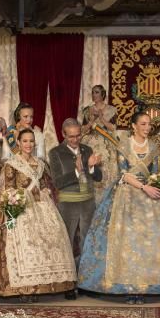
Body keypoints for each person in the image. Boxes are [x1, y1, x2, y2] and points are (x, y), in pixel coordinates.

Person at [78, 111, 160, 303]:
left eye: (149, 124)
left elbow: (155, 174)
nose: (147, 128)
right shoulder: (123, 145)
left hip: (149, 198)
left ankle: (147, 285)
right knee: (127, 241)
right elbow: (123, 174)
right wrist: (143, 187)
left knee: (148, 241)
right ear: (133, 125)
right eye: (143, 124)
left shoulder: (154, 147)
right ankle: (128, 286)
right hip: (127, 195)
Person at [0, 128, 76, 299]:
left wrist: (45, 191)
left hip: (41, 206)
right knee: (25, 243)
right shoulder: (12, 164)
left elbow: (42, 184)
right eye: (25, 141)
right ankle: (25, 287)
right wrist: (20, 200)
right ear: (18, 143)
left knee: (52, 239)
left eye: (31, 141)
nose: (28, 144)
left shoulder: (40, 164)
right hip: (20, 205)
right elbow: (9, 188)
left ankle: (53, 284)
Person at [49, 120, 102, 281]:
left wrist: (92, 168)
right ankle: (67, 281)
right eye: (71, 136)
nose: (75, 139)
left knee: (88, 240)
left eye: (78, 135)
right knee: (67, 242)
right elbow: (57, 182)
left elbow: (99, 177)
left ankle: (86, 280)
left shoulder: (87, 149)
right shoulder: (55, 152)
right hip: (68, 202)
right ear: (63, 135)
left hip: (88, 201)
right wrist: (78, 171)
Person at [80, 84, 121, 201]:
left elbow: (113, 128)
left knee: (107, 168)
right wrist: (92, 120)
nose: (94, 94)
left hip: (106, 142)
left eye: (97, 92)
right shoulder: (87, 110)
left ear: (103, 94)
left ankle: (107, 197)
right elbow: (83, 129)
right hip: (91, 140)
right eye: (93, 92)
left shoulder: (111, 110)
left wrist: (102, 118)